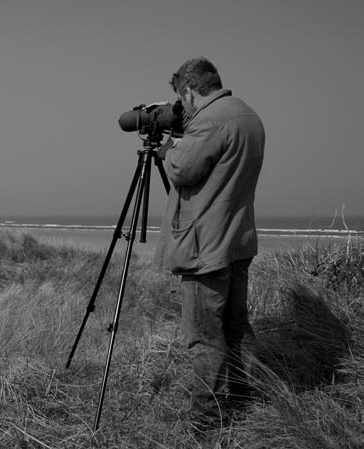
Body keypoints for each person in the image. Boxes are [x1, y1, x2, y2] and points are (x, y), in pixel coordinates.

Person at [155, 57, 265, 430]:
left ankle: (206, 418)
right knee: (236, 327)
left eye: (182, 101)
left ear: (189, 90)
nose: (182, 109)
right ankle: (245, 395)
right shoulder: (247, 115)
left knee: (204, 337)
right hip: (238, 239)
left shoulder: (210, 120)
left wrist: (167, 150)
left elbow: (184, 168)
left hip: (206, 247)